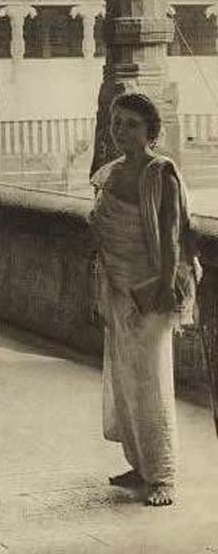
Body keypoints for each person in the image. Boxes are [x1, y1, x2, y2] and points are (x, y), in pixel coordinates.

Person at [89, 92, 200, 507]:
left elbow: (172, 240)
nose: (120, 131)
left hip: (152, 287)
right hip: (117, 287)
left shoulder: (162, 173)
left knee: (152, 379)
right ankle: (139, 464)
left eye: (131, 124)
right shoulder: (110, 174)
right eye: (116, 123)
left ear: (150, 131)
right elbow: (99, 233)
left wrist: (161, 287)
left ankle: (163, 475)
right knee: (125, 378)